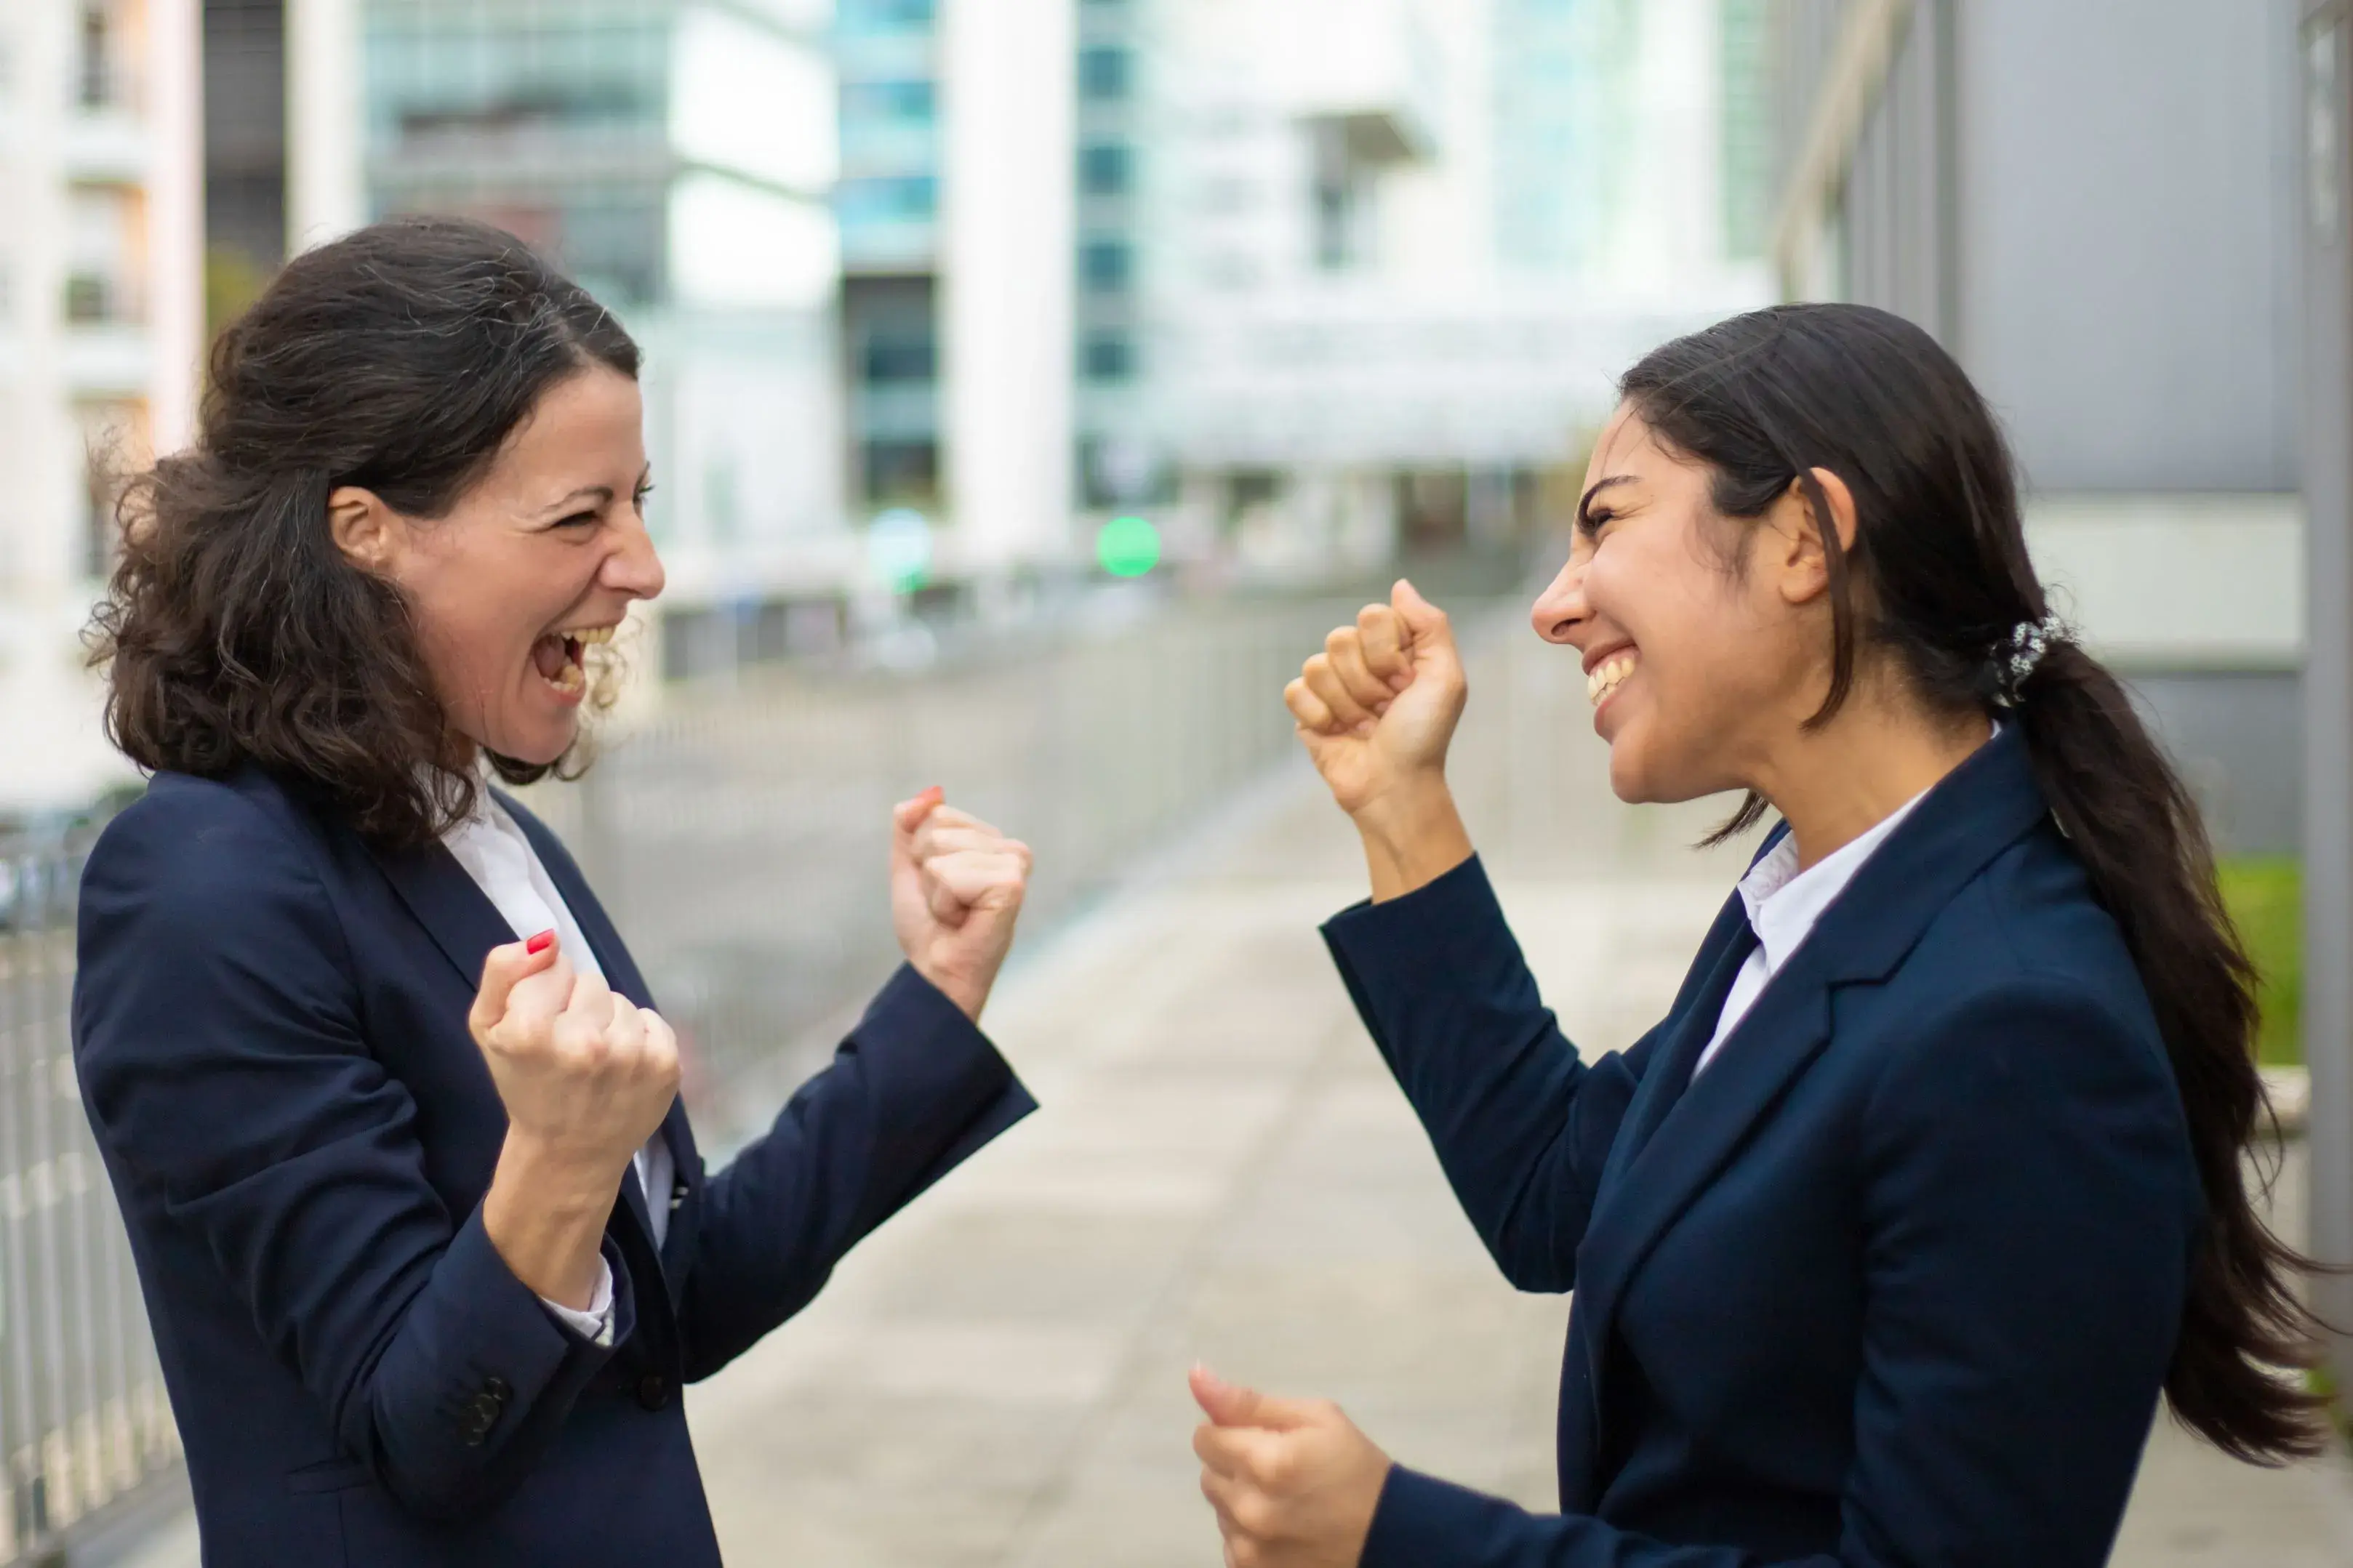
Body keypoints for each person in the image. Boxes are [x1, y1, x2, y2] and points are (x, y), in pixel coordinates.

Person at [1187, 302, 2328, 1567]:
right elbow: (1555, 1194)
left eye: (1605, 521)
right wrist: (1402, 806)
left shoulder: (2019, 1028)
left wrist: (1402, 1540)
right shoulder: (1824, 904)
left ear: (1802, 537)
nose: (1554, 607)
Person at [72, 217, 1038, 1567]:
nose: (641, 567)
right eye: (581, 515)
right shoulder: (202, 881)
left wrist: (936, 997)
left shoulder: (480, 830)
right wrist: (562, 1158)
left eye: (639, 504)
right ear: (366, 532)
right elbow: (423, 1433)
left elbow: (670, 1306)